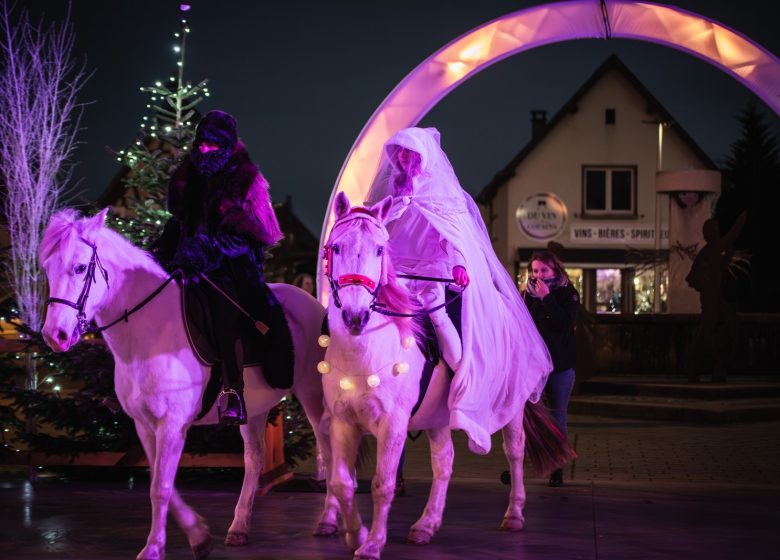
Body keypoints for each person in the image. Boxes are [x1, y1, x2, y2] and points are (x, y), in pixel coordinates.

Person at [365, 127, 552, 455]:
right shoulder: (389, 192)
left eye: (409, 153)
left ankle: (464, 395)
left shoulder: (443, 193)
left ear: (422, 156)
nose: (404, 159)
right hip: (397, 279)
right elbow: (376, 229)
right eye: (399, 153)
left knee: (443, 325)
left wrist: (458, 265)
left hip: (432, 278)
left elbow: (458, 236)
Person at [151, 110, 284, 425]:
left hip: (230, 266)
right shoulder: (189, 175)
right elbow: (180, 221)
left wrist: (209, 252)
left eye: (213, 144)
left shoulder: (246, 179)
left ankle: (233, 392)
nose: (206, 150)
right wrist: (161, 249)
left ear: (225, 145)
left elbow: (255, 233)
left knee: (224, 317)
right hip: (186, 262)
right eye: (202, 143)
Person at [522, 251, 580, 486]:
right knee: (529, 415)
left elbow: (563, 324)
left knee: (558, 416)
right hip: (534, 367)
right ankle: (522, 464)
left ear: (555, 270)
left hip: (560, 366)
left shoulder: (568, 294)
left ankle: (557, 468)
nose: (539, 276)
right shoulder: (529, 295)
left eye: (544, 270)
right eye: (535, 271)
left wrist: (547, 298)